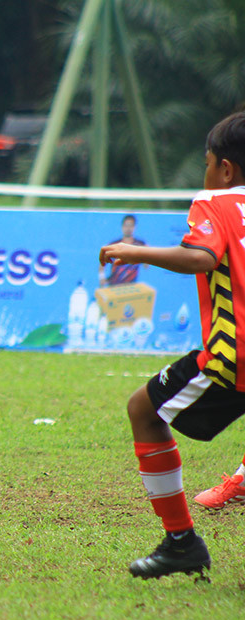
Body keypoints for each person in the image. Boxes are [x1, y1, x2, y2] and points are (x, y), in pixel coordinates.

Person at [99, 110, 245, 579]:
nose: (205, 173)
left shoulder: (217, 201)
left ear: (225, 168)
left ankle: (181, 541)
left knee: (144, 409)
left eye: (207, 163)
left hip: (234, 357)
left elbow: (202, 257)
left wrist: (134, 251)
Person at [99, 214, 146, 286]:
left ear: (134, 227)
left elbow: (146, 265)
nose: (128, 228)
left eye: (131, 225)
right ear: (122, 227)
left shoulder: (140, 245)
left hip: (131, 287)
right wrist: (102, 278)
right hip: (114, 286)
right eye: (126, 225)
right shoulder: (114, 245)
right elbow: (102, 263)